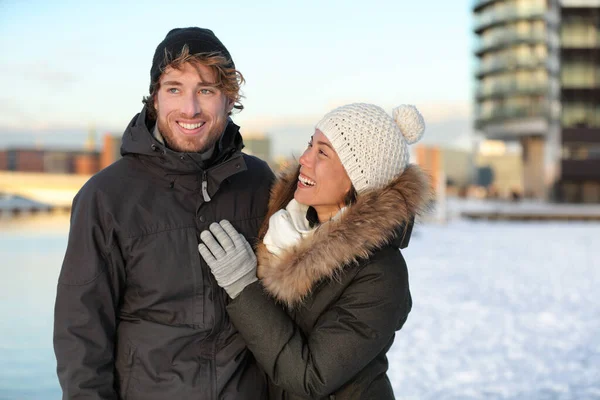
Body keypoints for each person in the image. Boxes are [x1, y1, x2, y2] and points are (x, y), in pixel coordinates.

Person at [53, 27, 273, 399]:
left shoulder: (259, 183)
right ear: (155, 98)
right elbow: (81, 338)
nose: (190, 109)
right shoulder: (105, 197)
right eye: (174, 89)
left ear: (229, 99)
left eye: (206, 90)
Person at [198, 103, 432, 399]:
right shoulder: (282, 230)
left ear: (357, 180)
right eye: (311, 144)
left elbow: (311, 377)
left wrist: (244, 288)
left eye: (322, 152)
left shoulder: (381, 274)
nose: (304, 159)